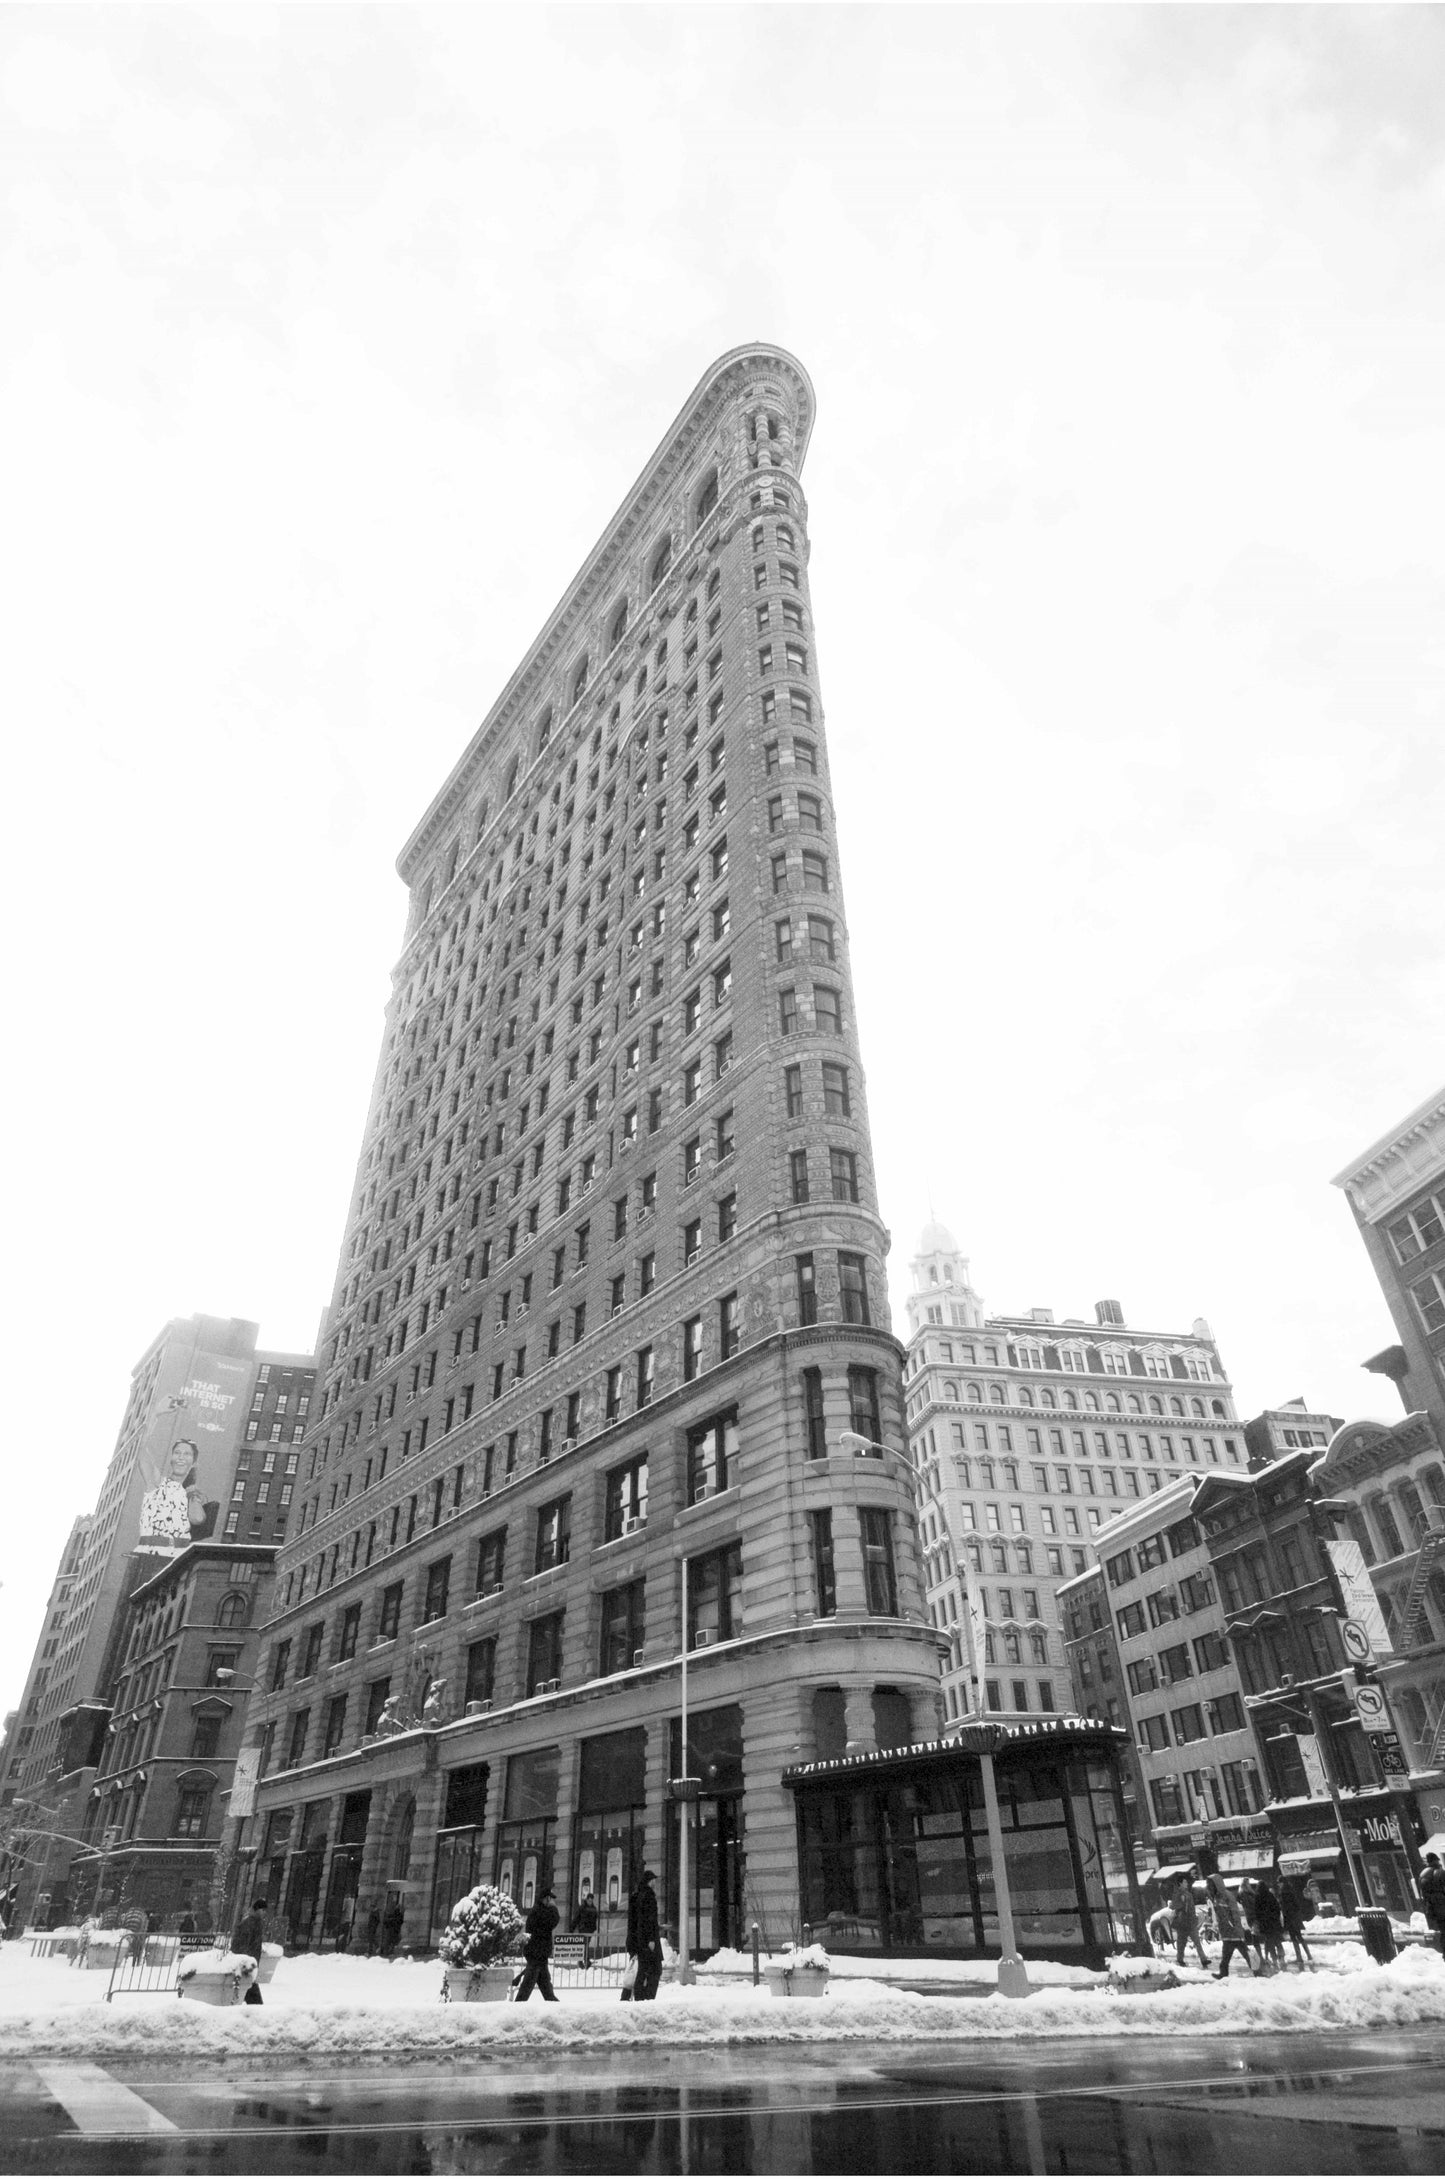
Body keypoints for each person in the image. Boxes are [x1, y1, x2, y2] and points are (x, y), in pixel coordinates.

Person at [513, 1884, 560, 2002]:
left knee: (546, 1987)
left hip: (539, 1954)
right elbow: (553, 1921)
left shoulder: (539, 1910)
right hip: (537, 1954)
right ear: (547, 1898)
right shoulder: (540, 1911)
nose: (552, 1901)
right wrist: (554, 1908)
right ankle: (517, 2007)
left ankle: (554, 2005)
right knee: (527, 1986)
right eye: (551, 1899)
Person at [1207, 1875, 1259, 1979]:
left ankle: (1258, 1971)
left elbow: (1234, 1913)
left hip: (1234, 1931)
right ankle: (1223, 1973)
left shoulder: (1227, 1896)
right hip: (1226, 1931)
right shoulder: (1216, 1897)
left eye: (1210, 1884)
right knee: (1226, 1955)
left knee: (1246, 1953)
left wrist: (1236, 1928)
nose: (1209, 1887)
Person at [624, 1868, 663, 2003]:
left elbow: (634, 1921)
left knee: (641, 1969)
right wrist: (651, 1939)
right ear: (649, 1881)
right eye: (653, 1880)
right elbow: (648, 1919)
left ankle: (634, 1996)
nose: (655, 1883)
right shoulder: (648, 1896)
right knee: (655, 1970)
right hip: (647, 1940)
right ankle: (646, 1998)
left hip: (637, 1940)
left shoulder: (636, 1896)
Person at [232, 1897, 268, 2007]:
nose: (264, 1913)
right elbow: (243, 1943)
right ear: (257, 1910)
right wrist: (246, 1961)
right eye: (263, 1910)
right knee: (251, 1992)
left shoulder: (256, 1922)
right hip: (246, 1963)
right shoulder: (249, 1923)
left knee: (245, 1989)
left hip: (250, 1963)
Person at [1171, 1876, 1209, 1970]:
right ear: (1180, 1883)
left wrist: (1194, 1918)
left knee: (1197, 1941)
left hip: (1190, 1922)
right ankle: (1179, 1959)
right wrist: (1182, 1901)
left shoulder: (1188, 1894)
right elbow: (1173, 1906)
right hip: (1182, 1923)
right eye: (1184, 1882)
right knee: (1181, 1943)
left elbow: (1191, 1909)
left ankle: (1203, 1959)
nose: (1186, 1884)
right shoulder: (1177, 1894)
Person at [1279, 1872, 1316, 1970]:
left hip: (1290, 1919)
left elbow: (1284, 1908)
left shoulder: (1283, 1892)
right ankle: (1308, 1955)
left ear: (1282, 1883)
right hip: (1296, 1917)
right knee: (1299, 1937)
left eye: (1279, 1883)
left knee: (1294, 1938)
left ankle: (1299, 1957)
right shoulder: (1291, 1890)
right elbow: (1296, 1904)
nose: (1279, 1884)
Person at [1250, 1877, 1286, 1973]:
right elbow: (1277, 1908)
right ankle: (1281, 1958)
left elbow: (1256, 1911)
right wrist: (1276, 1918)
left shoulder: (1257, 1897)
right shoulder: (1270, 1895)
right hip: (1274, 1922)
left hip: (1265, 1924)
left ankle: (1274, 1960)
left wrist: (1259, 1921)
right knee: (1277, 1940)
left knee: (1269, 1942)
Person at [1419, 1851, 1445, 1957]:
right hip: (1442, 1905)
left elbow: (1423, 1893)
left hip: (1432, 1908)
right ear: (1436, 1860)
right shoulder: (1439, 1872)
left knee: (1443, 1930)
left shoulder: (1422, 1874)